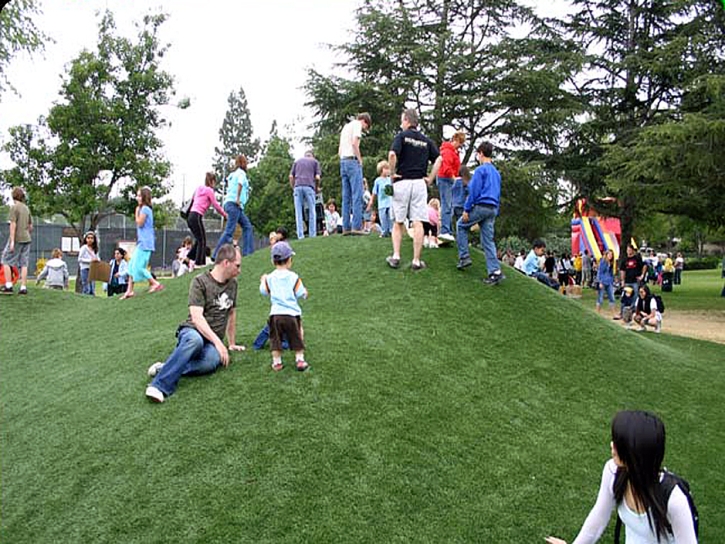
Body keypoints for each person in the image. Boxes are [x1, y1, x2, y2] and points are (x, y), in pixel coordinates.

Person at [545, 410, 696, 544]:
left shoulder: (674, 500)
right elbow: (598, 517)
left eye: (619, 443)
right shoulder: (613, 471)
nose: (612, 445)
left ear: (634, 453)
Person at [145, 244, 246, 403]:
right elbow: (197, 318)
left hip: (212, 342)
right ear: (226, 263)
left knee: (211, 362)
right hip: (193, 331)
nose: (239, 270)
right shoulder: (199, 282)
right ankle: (159, 386)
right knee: (195, 341)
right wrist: (219, 343)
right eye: (237, 266)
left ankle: (165, 368)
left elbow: (231, 313)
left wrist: (231, 343)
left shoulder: (233, 285)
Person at [386, 108, 441, 271]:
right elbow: (439, 159)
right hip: (419, 183)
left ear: (407, 121)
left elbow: (391, 155)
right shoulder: (426, 140)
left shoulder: (401, 137)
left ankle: (396, 257)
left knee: (398, 221)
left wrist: (392, 173)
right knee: (418, 222)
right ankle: (416, 261)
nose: (401, 124)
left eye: (402, 120)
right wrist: (430, 178)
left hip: (402, 181)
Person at [455, 142, 505, 285]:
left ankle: (464, 257)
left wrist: (466, 209)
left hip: (481, 206)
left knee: (461, 225)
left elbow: (474, 191)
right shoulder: (496, 173)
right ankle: (495, 271)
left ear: (481, 153)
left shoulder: (480, 170)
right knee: (488, 240)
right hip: (493, 208)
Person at [259, 241, 309, 372]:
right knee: (297, 334)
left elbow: (263, 291)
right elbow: (300, 292)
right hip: (292, 314)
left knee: (275, 339)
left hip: (275, 314)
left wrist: (263, 280)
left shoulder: (269, 278)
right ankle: (300, 359)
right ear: (289, 260)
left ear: (272, 261)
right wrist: (305, 293)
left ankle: (277, 362)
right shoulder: (293, 277)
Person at [120, 186, 165, 300]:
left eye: (139, 195)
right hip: (142, 242)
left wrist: (136, 212)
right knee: (131, 265)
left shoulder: (144, 209)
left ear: (144, 197)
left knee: (139, 267)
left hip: (146, 243)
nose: (137, 198)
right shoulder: (144, 209)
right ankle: (129, 290)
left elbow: (140, 223)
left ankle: (155, 283)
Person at [214, 156, 254, 258]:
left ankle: (248, 253)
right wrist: (238, 198)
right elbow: (240, 184)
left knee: (247, 226)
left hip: (231, 204)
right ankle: (216, 254)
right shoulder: (241, 173)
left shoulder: (232, 175)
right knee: (229, 231)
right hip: (235, 204)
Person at [338, 112, 371, 234]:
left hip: (343, 161)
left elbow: (339, 150)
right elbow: (354, 143)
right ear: (364, 122)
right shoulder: (357, 125)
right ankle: (356, 227)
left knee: (346, 196)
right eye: (366, 127)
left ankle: (346, 227)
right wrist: (360, 160)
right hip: (352, 161)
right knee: (357, 195)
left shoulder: (346, 127)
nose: (364, 130)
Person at [188, 172, 227, 269]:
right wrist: (225, 214)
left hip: (190, 216)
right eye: (215, 182)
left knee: (198, 238)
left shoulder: (198, 188)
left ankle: (189, 257)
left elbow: (192, 200)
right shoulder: (209, 191)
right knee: (202, 240)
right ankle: (199, 263)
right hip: (196, 216)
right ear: (212, 181)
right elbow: (216, 205)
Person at [1, 187, 33, 295]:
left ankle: (8, 285)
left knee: (5, 260)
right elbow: (30, 226)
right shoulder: (26, 208)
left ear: (13, 196)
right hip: (27, 238)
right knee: (24, 263)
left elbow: (13, 224)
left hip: (17, 238)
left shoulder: (14, 208)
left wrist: (12, 241)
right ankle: (23, 287)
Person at [436, 129, 466, 243]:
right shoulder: (448, 151)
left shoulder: (454, 152)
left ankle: (448, 230)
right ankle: (445, 231)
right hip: (445, 179)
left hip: (450, 179)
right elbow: (446, 166)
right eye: (460, 143)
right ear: (455, 140)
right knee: (446, 204)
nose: (460, 146)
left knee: (450, 205)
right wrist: (454, 177)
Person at [289, 150, 321, 239]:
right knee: (312, 211)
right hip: (309, 187)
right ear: (312, 156)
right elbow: (317, 177)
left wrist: (293, 187)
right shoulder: (315, 162)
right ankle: (312, 235)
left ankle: (300, 236)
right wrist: (317, 188)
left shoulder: (297, 161)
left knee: (298, 212)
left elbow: (291, 176)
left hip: (297, 187)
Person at [617, 244, 647, 318]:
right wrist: (622, 280)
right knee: (625, 297)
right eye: (628, 250)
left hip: (635, 281)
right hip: (627, 281)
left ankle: (632, 311)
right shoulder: (625, 260)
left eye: (630, 250)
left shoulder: (637, 258)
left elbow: (644, 266)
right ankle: (622, 312)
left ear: (633, 250)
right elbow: (622, 270)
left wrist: (642, 275)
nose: (629, 251)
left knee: (635, 296)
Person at [369, 160, 393, 237]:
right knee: (383, 218)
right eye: (386, 168)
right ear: (381, 170)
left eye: (388, 168)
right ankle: (384, 231)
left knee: (390, 217)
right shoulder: (378, 181)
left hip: (390, 203)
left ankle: (391, 231)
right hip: (382, 203)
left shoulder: (390, 179)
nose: (388, 170)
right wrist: (371, 201)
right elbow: (374, 192)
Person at [78, 230, 100, 296]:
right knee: (86, 287)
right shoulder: (84, 248)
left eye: (92, 238)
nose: (90, 240)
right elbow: (80, 259)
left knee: (92, 287)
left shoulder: (95, 249)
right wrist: (90, 261)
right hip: (85, 268)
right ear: (86, 239)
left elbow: (97, 257)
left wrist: (97, 260)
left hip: (93, 269)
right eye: (88, 238)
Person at [596, 249, 617, 317]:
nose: (610, 256)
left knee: (612, 298)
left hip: (609, 282)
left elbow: (611, 273)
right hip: (603, 281)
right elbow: (600, 272)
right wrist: (600, 282)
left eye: (611, 255)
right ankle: (597, 313)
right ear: (606, 255)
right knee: (600, 298)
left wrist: (612, 280)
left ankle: (613, 313)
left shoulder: (611, 263)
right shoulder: (603, 262)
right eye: (609, 254)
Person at [451, 166, 470, 232]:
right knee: (462, 226)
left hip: (453, 205)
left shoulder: (455, 181)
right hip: (462, 205)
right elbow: (469, 192)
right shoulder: (465, 181)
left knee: (455, 223)